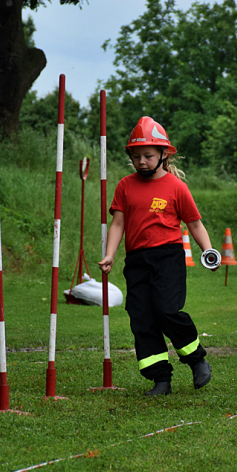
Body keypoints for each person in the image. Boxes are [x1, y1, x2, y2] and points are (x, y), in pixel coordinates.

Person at [98, 117, 218, 396]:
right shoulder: (125, 186)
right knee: (141, 318)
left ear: (164, 155)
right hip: (137, 261)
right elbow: (118, 224)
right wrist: (110, 255)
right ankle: (160, 378)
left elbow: (194, 223)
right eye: (136, 156)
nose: (141, 161)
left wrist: (208, 251)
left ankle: (196, 360)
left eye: (148, 156)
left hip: (168, 258)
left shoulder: (177, 188)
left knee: (167, 310)